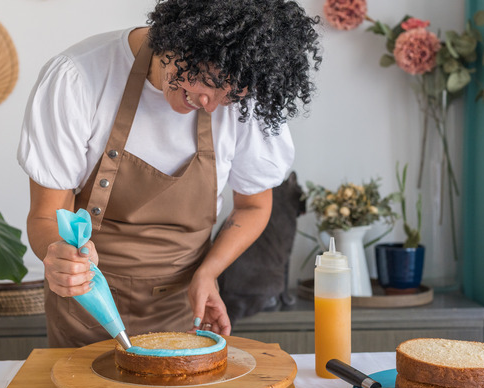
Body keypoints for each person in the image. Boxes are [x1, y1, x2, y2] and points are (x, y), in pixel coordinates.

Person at [17, 0, 322, 347]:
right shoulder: (78, 78)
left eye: (231, 94)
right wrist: (59, 254)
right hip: (86, 309)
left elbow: (254, 207)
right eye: (211, 79)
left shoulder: (242, 102)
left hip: (182, 314)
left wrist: (209, 272)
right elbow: (45, 215)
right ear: (184, 36)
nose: (210, 102)